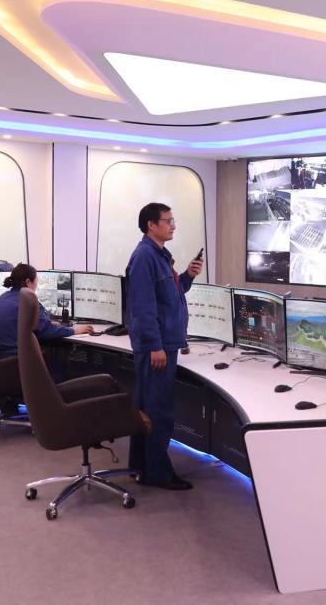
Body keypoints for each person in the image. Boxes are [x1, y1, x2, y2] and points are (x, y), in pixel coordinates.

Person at [126, 202, 202, 491]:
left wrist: (188, 276)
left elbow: (170, 294)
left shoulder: (159, 255)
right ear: (151, 225)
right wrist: (154, 345)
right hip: (157, 347)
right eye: (168, 221)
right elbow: (142, 307)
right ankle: (157, 473)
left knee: (146, 409)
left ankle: (141, 466)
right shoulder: (145, 257)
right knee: (158, 411)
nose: (173, 226)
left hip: (163, 343)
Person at [0, 263, 93, 358]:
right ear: (28, 282)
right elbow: (46, 331)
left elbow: (37, 325)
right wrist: (75, 330)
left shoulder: (2, 298)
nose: (37, 285)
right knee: (63, 360)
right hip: (17, 360)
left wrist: (46, 322)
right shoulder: (27, 301)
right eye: (36, 281)